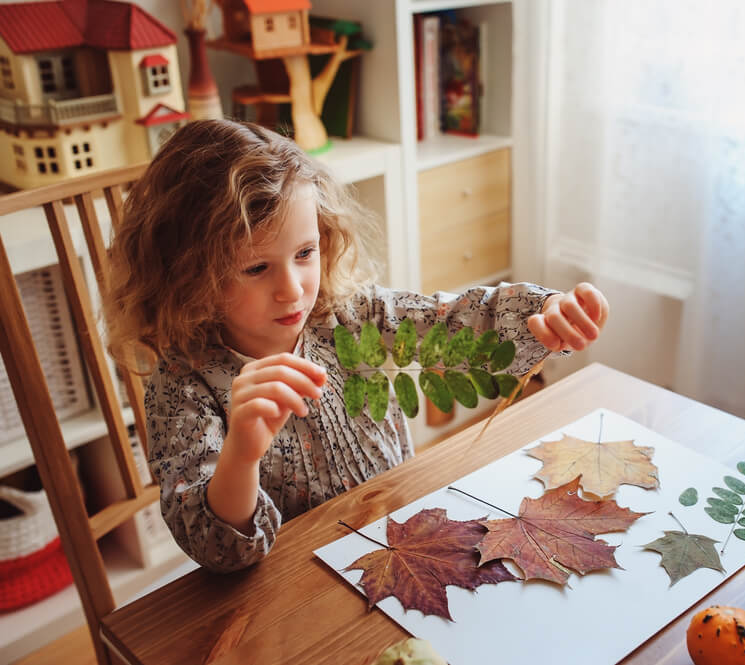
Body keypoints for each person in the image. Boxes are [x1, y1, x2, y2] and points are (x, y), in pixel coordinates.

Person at [104, 119, 609, 572]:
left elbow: (449, 323)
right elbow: (218, 550)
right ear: (190, 275)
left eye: (305, 252)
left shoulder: (346, 314)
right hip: (298, 590)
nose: (293, 288)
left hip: (402, 537)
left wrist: (544, 313)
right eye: (256, 268)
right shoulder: (183, 384)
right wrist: (241, 455)